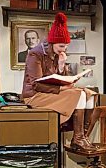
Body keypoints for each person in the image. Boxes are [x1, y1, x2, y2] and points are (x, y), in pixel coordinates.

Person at [21, 12, 97, 151]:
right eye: (61, 46)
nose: (64, 50)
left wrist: (62, 66)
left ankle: (82, 136)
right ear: (52, 43)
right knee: (78, 95)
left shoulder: (56, 54)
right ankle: (78, 138)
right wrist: (61, 89)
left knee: (89, 94)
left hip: (51, 93)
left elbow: (62, 80)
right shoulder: (35, 54)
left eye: (66, 47)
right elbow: (36, 84)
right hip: (34, 96)